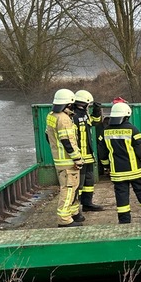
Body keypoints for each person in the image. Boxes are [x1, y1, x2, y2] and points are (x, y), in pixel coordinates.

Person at [98, 98, 141, 224]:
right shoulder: (133, 130)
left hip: (117, 173)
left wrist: (107, 167)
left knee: (121, 195)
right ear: (127, 115)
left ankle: (124, 221)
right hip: (136, 171)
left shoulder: (104, 132)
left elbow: (102, 153)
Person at [45, 89, 84, 227]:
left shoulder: (51, 115)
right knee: (68, 189)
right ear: (68, 104)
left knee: (73, 188)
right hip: (68, 162)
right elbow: (68, 141)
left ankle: (73, 213)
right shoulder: (64, 119)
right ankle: (64, 220)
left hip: (60, 160)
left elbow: (47, 136)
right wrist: (77, 159)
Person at [72, 90, 104, 212]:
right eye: (89, 104)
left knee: (88, 182)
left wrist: (96, 110)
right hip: (79, 157)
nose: (89, 105)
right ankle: (76, 208)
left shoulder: (84, 115)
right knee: (79, 184)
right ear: (84, 103)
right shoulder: (73, 116)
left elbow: (95, 122)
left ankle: (87, 203)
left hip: (88, 156)